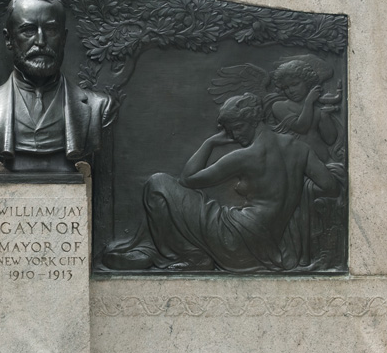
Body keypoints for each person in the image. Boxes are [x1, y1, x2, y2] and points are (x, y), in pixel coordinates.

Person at [103, 93, 343, 272]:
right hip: (266, 244)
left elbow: (188, 179)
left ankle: (180, 255)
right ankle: (168, 252)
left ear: (247, 123)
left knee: (159, 184)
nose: (234, 136)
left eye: (234, 130)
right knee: (193, 202)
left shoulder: (245, 157)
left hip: (235, 239)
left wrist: (211, 143)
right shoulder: (300, 149)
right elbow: (330, 186)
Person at [0, 0, 118, 171]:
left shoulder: (99, 108)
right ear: (9, 39)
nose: (41, 41)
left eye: (51, 30)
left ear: (64, 38)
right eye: (28, 30)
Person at [271, 57, 342, 162]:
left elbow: (330, 139)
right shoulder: (279, 106)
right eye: (286, 87)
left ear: (307, 82)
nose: (291, 90)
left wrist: (325, 116)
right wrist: (308, 102)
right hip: (296, 165)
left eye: (295, 84)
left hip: (325, 161)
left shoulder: (317, 110)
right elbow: (301, 127)